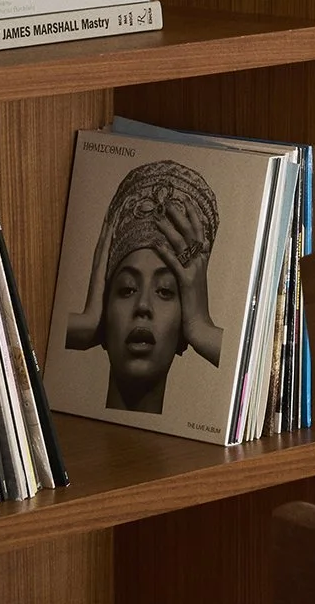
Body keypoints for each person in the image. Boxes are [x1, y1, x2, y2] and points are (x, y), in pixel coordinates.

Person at [65, 159, 223, 417]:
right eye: (127, 289)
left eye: (165, 291)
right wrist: (86, 322)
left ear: (183, 326)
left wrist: (201, 327)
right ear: (105, 310)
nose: (143, 306)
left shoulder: (192, 326)